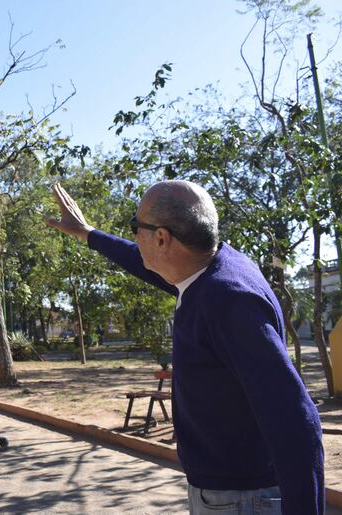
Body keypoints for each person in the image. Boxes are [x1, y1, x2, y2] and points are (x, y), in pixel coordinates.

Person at [46, 181, 324, 514]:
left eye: (135, 227)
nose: (134, 236)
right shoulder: (206, 271)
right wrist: (88, 233)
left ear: (162, 239)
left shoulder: (227, 300)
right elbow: (141, 261)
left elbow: (297, 418)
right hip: (227, 490)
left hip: (240, 498)